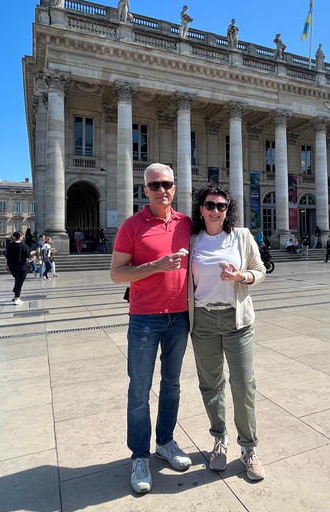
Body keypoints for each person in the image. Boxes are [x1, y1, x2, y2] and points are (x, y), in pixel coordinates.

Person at [109, 163, 194, 494]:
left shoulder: (187, 223)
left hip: (180, 317)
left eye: (167, 184)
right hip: (145, 316)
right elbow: (117, 273)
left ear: (174, 188)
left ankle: (166, 442)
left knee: (172, 385)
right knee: (139, 390)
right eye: (155, 185)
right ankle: (139, 455)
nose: (162, 189)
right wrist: (154, 267)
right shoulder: (132, 225)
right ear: (145, 190)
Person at [188, 184, 267, 481]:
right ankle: (219, 439)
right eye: (210, 205)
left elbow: (260, 270)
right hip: (204, 322)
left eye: (221, 206)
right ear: (201, 209)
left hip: (238, 322)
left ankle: (248, 448)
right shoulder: (193, 240)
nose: (216, 210)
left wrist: (242, 276)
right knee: (210, 385)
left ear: (228, 210)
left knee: (244, 385)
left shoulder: (242, 236)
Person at [5, 231, 34, 305]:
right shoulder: (24, 245)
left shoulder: (9, 245)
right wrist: (33, 253)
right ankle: (16, 298)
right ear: (20, 237)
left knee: (17, 280)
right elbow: (27, 256)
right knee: (19, 282)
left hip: (12, 266)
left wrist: (7, 265)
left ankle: (15, 291)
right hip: (22, 267)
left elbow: (7, 257)